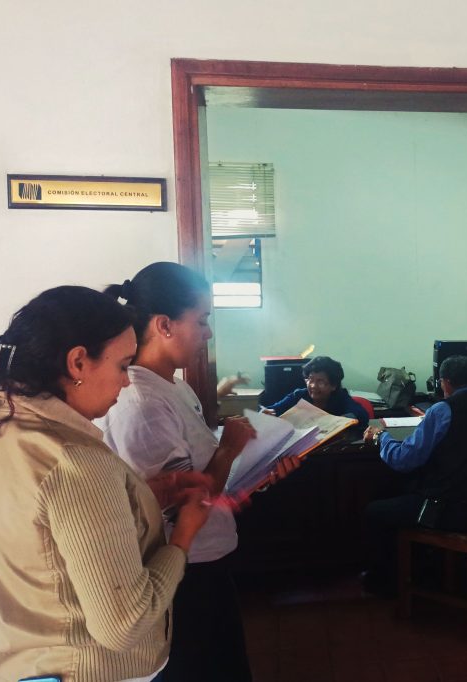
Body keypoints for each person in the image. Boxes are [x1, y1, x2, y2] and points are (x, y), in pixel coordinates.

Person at [0, 286, 212, 682]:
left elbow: (45, 538)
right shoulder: (73, 461)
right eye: (123, 366)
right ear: (78, 362)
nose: (126, 383)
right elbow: (124, 624)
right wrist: (182, 539)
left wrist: (139, 497)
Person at [99, 262, 297, 682]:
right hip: (181, 572)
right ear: (164, 325)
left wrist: (262, 469)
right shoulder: (142, 402)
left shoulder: (175, 386)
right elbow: (179, 506)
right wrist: (228, 450)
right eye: (202, 320)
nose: (208, 334)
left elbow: (205, 478)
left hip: (207, 562)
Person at [360, 355, 467, 595]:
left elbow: (403, 460)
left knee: (375, 510)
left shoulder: (442, 410)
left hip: (443, 510)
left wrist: (381, 436)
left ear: (445, 382)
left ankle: (385, 583)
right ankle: (430, 570)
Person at [262, 355, 370, 428]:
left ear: (333, 385)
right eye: (310, 379)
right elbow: (271, 409)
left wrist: (340, 420)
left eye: (320, 381)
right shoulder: (299, 395)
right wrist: (264, 413)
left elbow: (362, 415)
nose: (313, 386)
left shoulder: (341, 397)